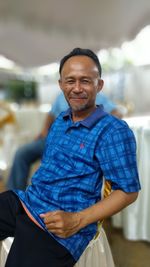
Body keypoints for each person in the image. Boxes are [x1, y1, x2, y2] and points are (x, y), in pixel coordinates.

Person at [0, 47, 140, 267]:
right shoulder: (60, 121)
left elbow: (128, 191)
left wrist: (77, 220)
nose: (76, 88)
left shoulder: (113, 131)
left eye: (85, 81)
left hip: (61, 223)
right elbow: (48, 168)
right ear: (60, 85)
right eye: (70, 81)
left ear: (99, 85)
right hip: (27, 202)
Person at [7, 91, 122, 190]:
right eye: (71, 80)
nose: (76, 86)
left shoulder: (97, 97)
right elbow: (51, 115)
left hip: (77, 143)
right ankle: (15, 197)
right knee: (21, 153)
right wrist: (44, 130)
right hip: (52, 138)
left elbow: (117, 113)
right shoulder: (61, 96)